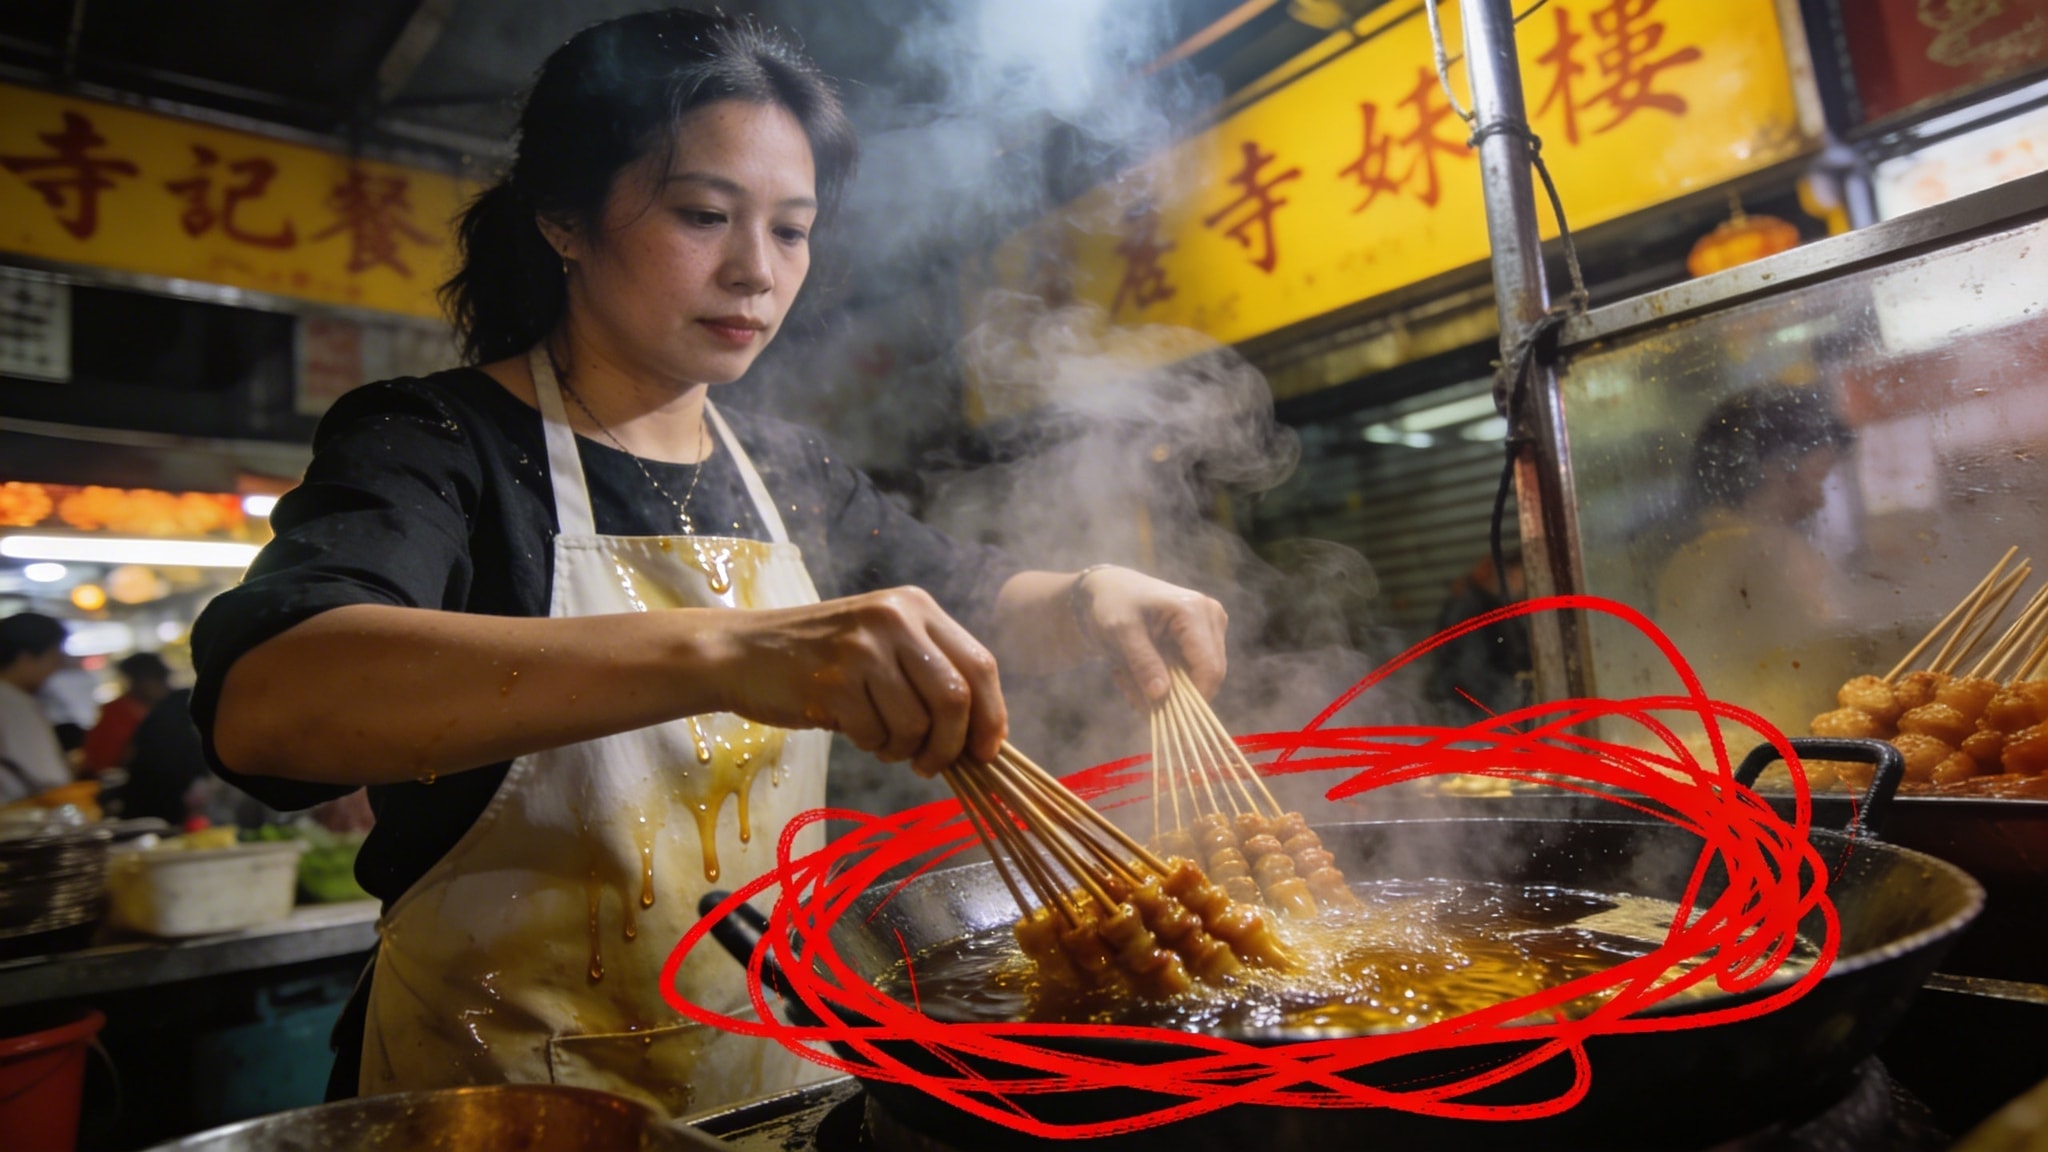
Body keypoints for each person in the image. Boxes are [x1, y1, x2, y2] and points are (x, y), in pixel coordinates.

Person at [189, 10, 1229, 1119]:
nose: (755, 272)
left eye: (791, 230)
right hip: (502, 1105)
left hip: (778, 1082)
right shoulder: (437, 442)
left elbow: (968, 595)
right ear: (563, 220)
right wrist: (728, 649)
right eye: (702, 215)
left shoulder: (789, 472)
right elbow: (269, 705)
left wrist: (1088, 594)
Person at [1651, 385, 1858, 730]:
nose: (1821, 501)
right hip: (1771, 752)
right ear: (1780, 467)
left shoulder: (1705, 549)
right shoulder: (1749, 552)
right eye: (1819, 477)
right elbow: (1811, 671)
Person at [0, 612, 72, 803]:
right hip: (24, 824)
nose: (60, 665)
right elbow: (50, 778)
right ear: (26, 658)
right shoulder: (13, 704)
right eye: (55, 655)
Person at [81, 652, 173, 776]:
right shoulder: (115, 713)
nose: (158, 687)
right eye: (148, 680)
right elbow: (98, 760)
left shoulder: (174, 708)